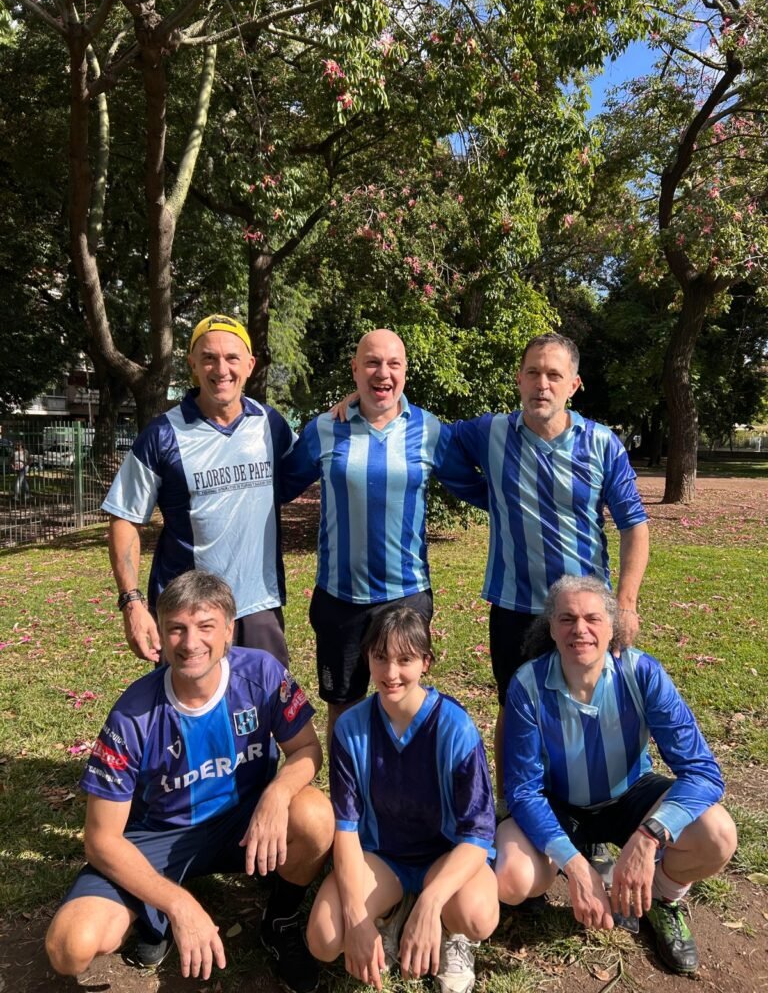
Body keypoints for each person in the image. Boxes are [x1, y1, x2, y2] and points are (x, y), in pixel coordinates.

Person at [45, 571, 334, 993]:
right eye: (177, 628)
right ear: (161, 634)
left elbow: (308, 749)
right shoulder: (131, 715)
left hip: (243, 823)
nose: (190, 642)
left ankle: (280, 921)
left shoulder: (263, 673)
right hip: (159, 838)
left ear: (229, 630)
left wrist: (277, 794)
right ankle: (159, 910)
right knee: (70, 945)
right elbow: (100, 840)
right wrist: (178, 904)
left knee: (315, 815)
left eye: (205, 626)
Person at [495, 575, 737, 976]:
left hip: (630, 796)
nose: (580, 629)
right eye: (567, 619)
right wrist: (575, 866)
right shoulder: (527, 684)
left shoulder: (641, 673)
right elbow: (523, 791)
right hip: (559, 805)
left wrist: (648, 837)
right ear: (551, 628)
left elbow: (702, 772)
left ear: (612, 627)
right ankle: (580, 861)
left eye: (592, 618)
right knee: (512, 879)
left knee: (718, 835)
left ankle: (660, 897)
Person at [451, 333, 650, 800]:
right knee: (513, 706)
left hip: (585, 611)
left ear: (573, 385)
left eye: (554, 375)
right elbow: (427, 438)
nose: (542, 384)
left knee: (590, 705)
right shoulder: (490, 433)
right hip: (515, 605)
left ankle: (594, 805)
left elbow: (635, 526)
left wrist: (625, 603)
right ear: (519, 379)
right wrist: (359, 399)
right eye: (534, 372)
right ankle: (510, 806)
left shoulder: (601, 444)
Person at [284, 328, 487, 745]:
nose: (383, 373)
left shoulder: (428, 430)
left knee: (402, 702)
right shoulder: (325, 428)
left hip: (405, 596)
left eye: (394, 364)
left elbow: (478, 489)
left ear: (405, 371)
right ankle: (348, 784)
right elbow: (279, 486)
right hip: (339, 598)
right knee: (344, 708)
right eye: (372, 363)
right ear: (355, 369)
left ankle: (402, 783)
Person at [306, 604, 498, 993]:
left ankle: (451, 933)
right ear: (367, 658)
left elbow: (478, 835)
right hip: (383, 858)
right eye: (380, 657)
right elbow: (346, 829)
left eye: (405, 660)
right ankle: (392, 913)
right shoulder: (350, 727)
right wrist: (356, 918)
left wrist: (432, 901)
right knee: (324, 939)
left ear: (426, 662)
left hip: (444, 857)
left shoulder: (455, 728)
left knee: (478, 916)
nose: (391, 673)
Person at [102, 314, 297, 666]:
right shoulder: (161, 435)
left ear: (250, 365)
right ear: (192, 364)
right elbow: (124, 519)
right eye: (209, 358)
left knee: (267, 700)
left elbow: (316, 459)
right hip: (189, 612)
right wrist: (132, 604)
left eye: (232, 358)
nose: (221, 369)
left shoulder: (270, 424)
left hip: (260, 606)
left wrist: (350, 405)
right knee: (188, 702)